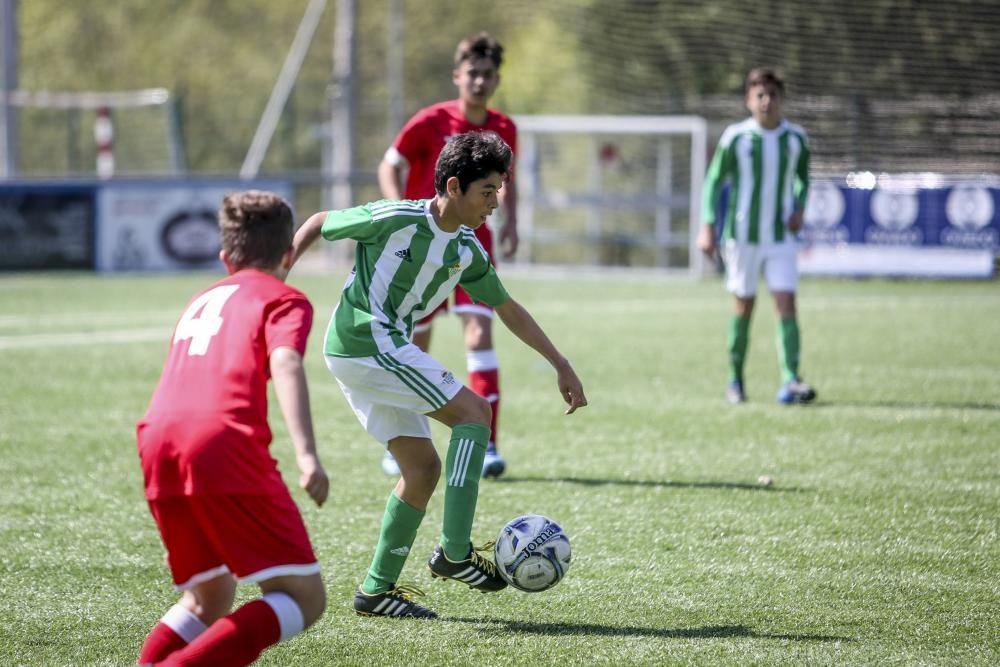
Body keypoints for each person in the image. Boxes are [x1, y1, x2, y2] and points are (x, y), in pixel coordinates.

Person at [289, 131, 587, 619]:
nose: (496, 201)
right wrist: (275, 279)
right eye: (488, 191)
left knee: (422, 469)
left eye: (499, 190)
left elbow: (507, 308)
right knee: (475, 413)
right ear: (453, 186)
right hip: (365, 340)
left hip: (377, 350)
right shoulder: (395, 218)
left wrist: (561, 362)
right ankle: (454, 553)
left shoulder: (466, 250)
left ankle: (376, 590)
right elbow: (321, 222)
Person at [135, 191, 329, 665]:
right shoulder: (285, 299)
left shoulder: (202, 298)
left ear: (226, 257)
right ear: (289, 254)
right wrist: (307, 454)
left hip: (158, 440)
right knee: (304, 599)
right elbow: (285, 362)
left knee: (208, 597)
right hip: (221, 443)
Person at [376, 32, 518, 479]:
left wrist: (510, 218)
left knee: (480, 334)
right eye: (472, 73)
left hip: (474, 244)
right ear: (457, 76)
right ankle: (404, 440)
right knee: (417, 342)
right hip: (426, 244)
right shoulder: (429, 120)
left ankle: (488, 444)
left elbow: (506, 183)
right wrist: (396, 211)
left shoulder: (504, 126)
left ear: (496, 80)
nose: (480, 81)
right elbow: (390, 163)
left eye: (488, 74)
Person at [699, 68, 818, 406]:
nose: (767, 101)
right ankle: (735, 381)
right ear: (749, 101)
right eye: (760, 96)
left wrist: (799, 207)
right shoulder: (736, 137)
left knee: (786, 304)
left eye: (773, 95)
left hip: (780, 237)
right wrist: (707, 225)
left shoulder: (796, 139)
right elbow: (713, 181)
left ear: (782, 100)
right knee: (744, 307)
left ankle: (790, 380)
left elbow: (802, 179)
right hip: (742, 237)